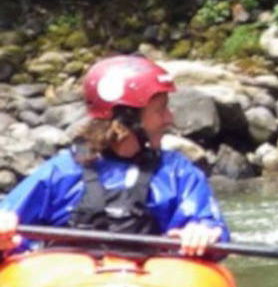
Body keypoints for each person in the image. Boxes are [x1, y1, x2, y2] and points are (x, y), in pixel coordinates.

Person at [0, 55, 229, 259]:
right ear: (125, 121)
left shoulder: (176, 172)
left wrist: (203, 233)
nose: (169, 119)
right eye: (160, 110)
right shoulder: (63, 172)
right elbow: (8, 218)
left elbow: (210, 225)